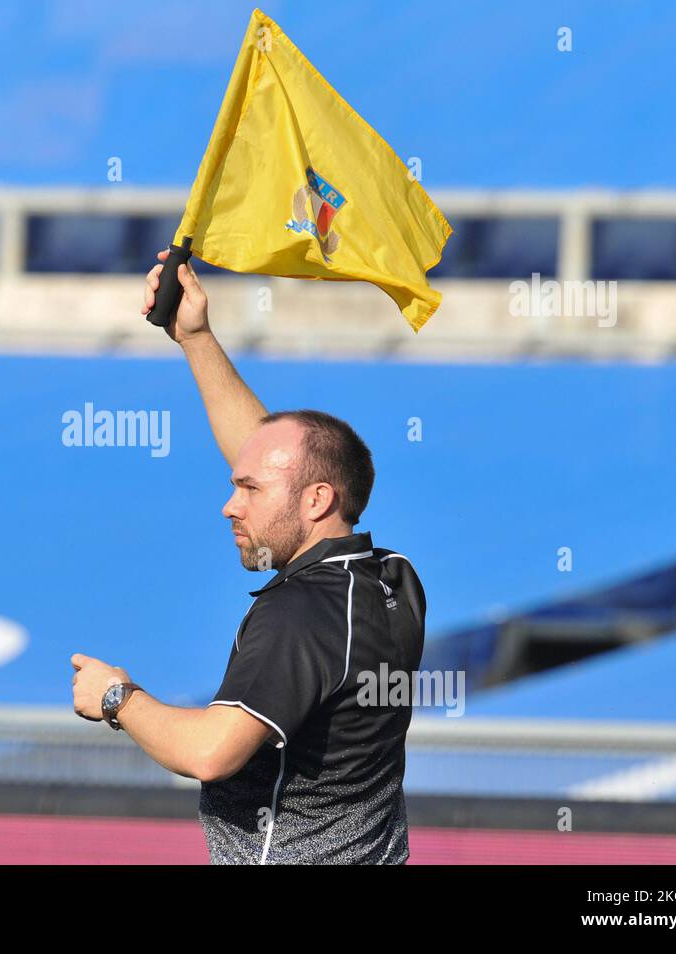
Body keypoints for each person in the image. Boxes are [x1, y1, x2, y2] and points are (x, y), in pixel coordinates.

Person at [70, 250, 426, 864]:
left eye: (248, 491)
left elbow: (211, 752)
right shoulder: (392, 579)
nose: (229, 507)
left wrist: (117, 698)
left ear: (317, 501)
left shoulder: (301, 615)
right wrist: (196, 338)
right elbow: (276, 458)